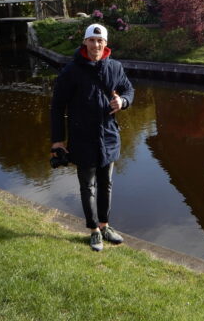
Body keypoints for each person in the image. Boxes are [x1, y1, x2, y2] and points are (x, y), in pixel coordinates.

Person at [50, 23, 135, 251]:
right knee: (88, 186)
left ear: (105, 44)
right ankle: (93, 230)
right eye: (92, 40)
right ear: (85, 42)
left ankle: (105, 225)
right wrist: (58, 140)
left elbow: (129, 90)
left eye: (100, 41)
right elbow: (57, 107)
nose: (96, 45)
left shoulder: (115, 68)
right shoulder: (70, 71)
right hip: (82, 139)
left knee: (106, 184)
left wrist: (123, 102)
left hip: (108, 137)